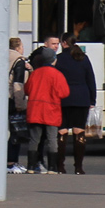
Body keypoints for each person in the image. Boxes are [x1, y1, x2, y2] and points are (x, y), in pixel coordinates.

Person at [54, 33, 97, 174]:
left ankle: (60, 166)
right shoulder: (83, 58)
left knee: (62, 131)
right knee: (79, 131)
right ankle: (78, 167)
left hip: (62, 98)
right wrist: (92, 100)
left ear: (64, 43)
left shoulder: (58, 59)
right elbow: (91, 79)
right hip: (81, 98)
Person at [24, 46, 69, 174]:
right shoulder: (57, 74)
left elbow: (27, 90)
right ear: (53, 60)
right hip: (51, 110)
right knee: (52, 139)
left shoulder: (35, 73)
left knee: (34, 139)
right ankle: (52, 168)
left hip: (35, 109)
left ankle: (31, 167)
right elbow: (64, 92)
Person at [7, 38, 30, 174]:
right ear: (18, 48)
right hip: (12, 99)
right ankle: (12, 162)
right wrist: (20, 104)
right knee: (16, 132)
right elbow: (18, 84)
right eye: (22, 46)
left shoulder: (1, 56)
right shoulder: (19, 61)